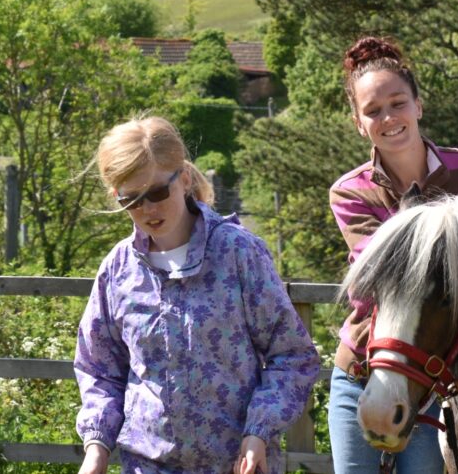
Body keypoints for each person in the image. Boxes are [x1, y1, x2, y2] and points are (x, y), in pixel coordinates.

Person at [74, 116, 319, 474]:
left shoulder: (239, 253)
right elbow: (99, 369)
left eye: (158, 192)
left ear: (184, 179)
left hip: (239, 465)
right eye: (132, 200)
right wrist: (97, 447)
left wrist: (259, 432)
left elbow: (293, 357)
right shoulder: (118, 270)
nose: (148, 210)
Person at [327, 36, 458, 474]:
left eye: (398, 103)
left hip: (439, 380)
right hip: (364, 370)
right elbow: (380, 287)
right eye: (373, 111)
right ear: (359, 123)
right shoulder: (350, 192)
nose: (388, 118)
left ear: (419, 106)